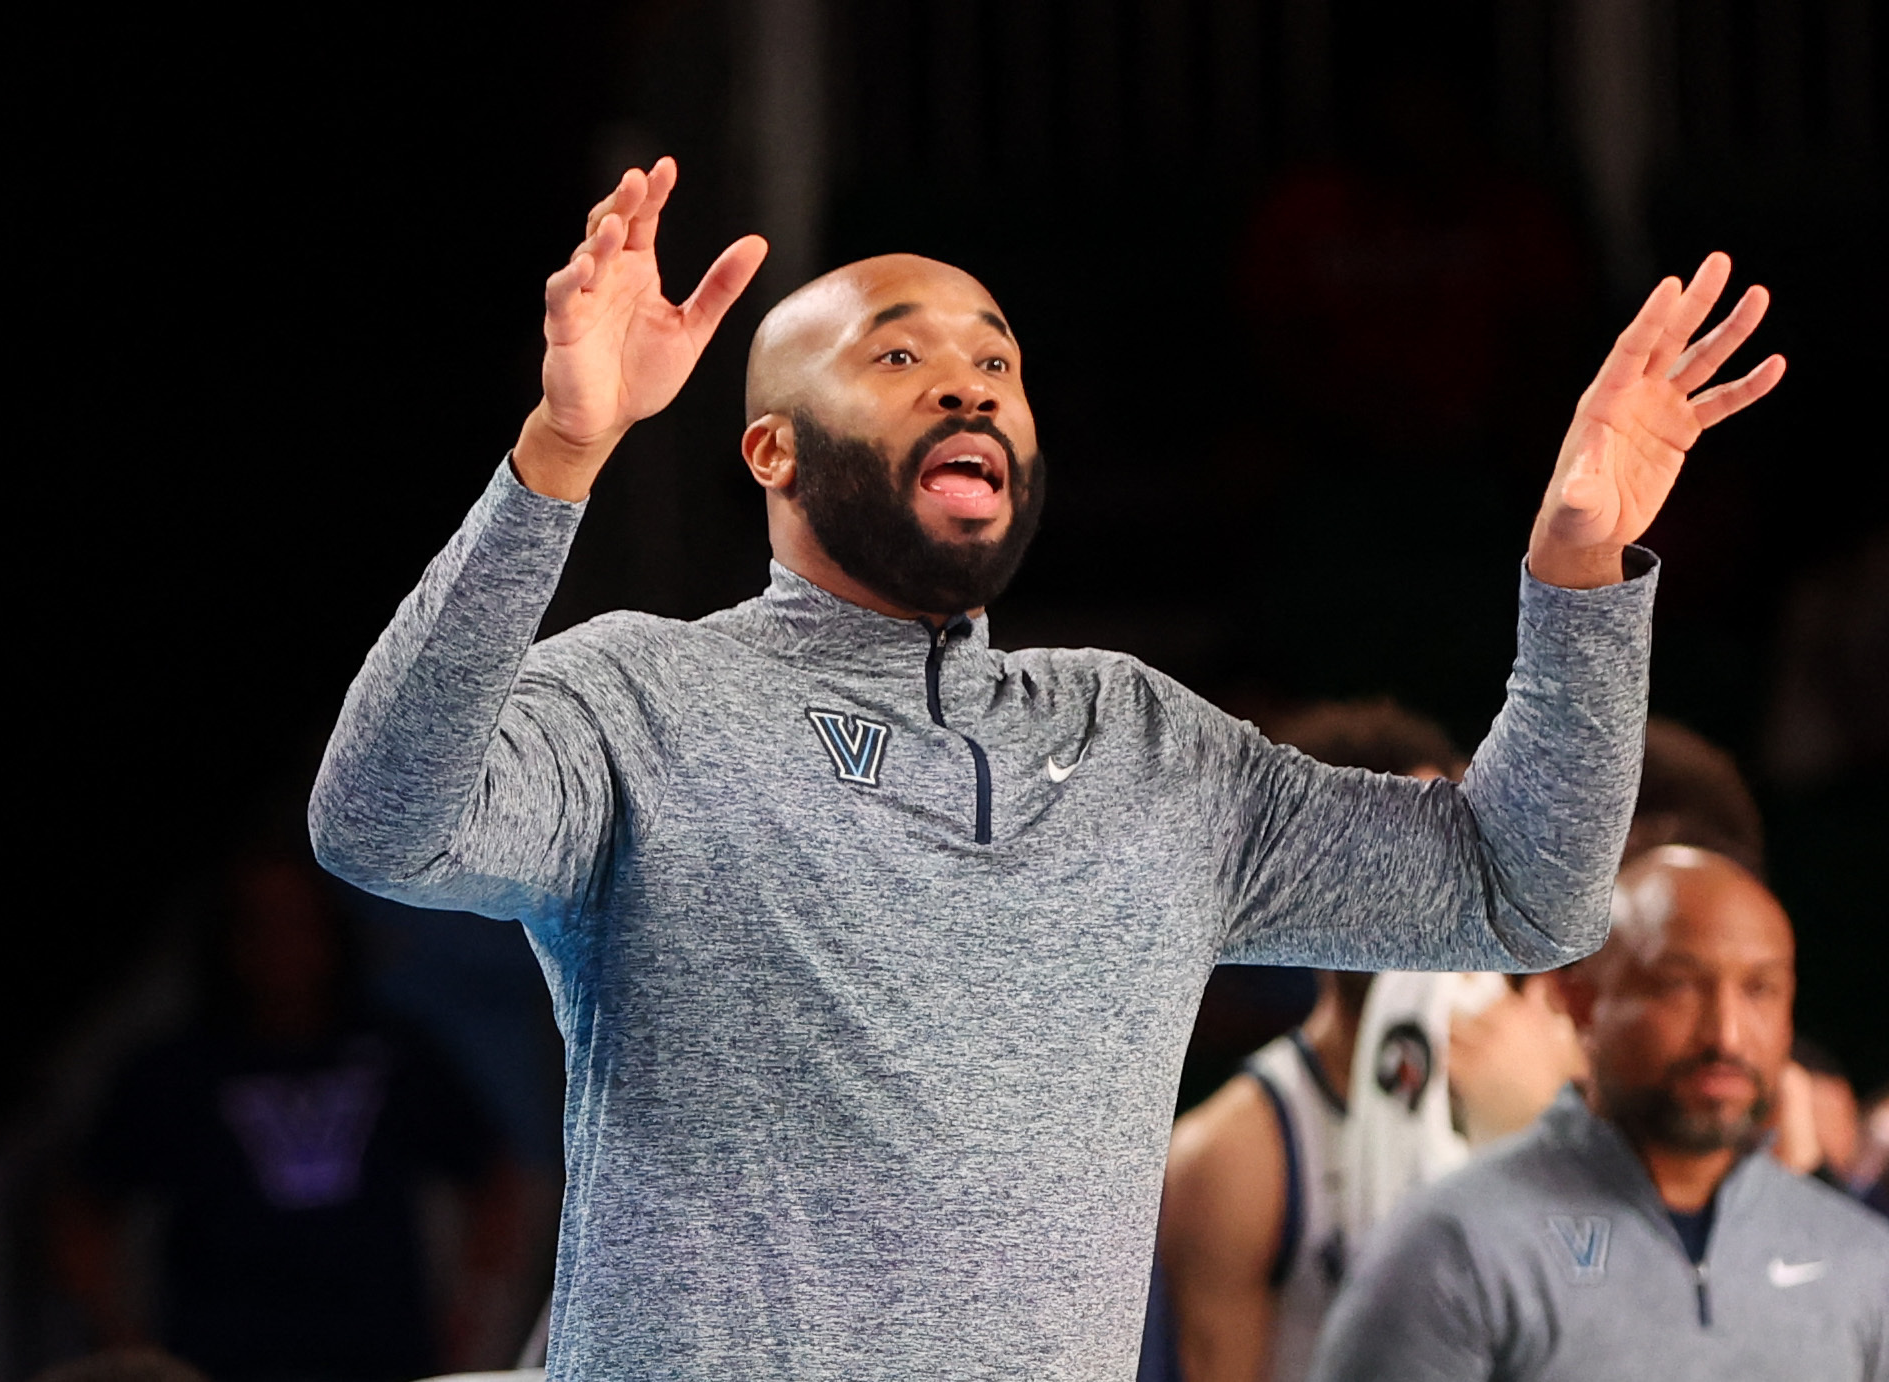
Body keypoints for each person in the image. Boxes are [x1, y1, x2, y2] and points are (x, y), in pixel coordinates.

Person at [308, 155, 1784, 1376]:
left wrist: (1580, 576)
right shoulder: (644, 697)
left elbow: (1523, 892)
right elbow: (382, 821)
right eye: (900, 355)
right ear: (769, 449)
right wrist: (560, 454)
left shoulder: (1146, 745)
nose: (968, 387)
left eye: (996, 364)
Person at [1311, 846, 1889, 1381]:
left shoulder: (1866, 1263)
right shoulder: (1452, 1242)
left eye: (1759, 989)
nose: (1728, 1036)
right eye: (1678, 986)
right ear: (1578, 1001)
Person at [55, 846, 513, 1382]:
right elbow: (82, 1201)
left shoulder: (394, 1051)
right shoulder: (177, 1067)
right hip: (221, 1355)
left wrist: (475, 1304)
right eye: (257, 925)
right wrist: (116, 1332)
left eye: (297, 922)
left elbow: (495, 1176)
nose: (281, 946)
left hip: (380, 1350)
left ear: (331, 929)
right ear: (225, 938)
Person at [1149, 700, 1461, 1382]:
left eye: (1444, 856)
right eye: (1390, 860)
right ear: (1309, 883)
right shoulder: (1230, 1157)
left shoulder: (1538, 1074)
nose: (1423, 891)